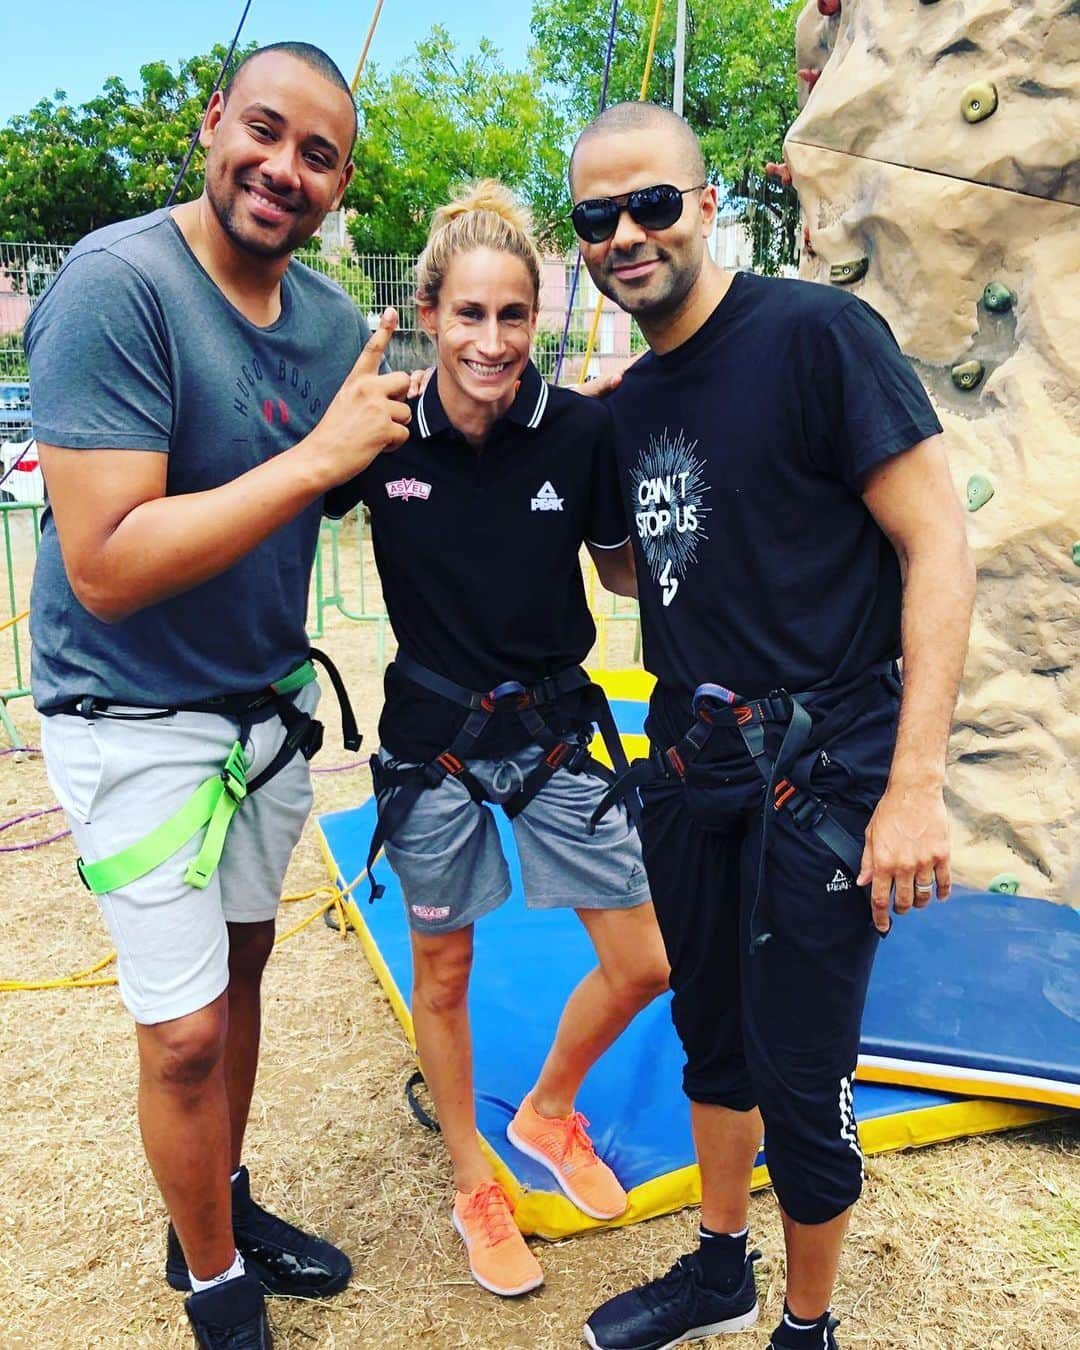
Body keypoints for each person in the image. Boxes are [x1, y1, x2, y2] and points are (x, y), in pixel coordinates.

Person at [567, 103, 976, 1350]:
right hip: (694, 770)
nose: (627, 234)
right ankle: (719, 1265)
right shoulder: (630, 402)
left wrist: (915, 784)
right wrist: (591, 471)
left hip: (827, 768)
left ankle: (808, 1323)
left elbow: (938, 541)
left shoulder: (817, 337)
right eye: (597, 218)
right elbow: (651, 571)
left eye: (650, 205)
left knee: (804, 1066)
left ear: (704, 205)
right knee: (712, 1035)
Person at [26, 43, 413, 1349]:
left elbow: (341, 485)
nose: (284, 169)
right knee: (184, 1032)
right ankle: (212, 1281)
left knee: (240, 975)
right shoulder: (118, 285)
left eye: (319, 156)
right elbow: (107, 559)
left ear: (340, 185)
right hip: (132, 714)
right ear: (212, 124)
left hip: (265, 711)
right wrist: (318, 458)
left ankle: (220, 1201)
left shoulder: (321, 321)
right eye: (265, 131)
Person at [325, 180, 670, 1300]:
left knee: (645, 961)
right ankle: (473, 1175)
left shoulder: (578, 429)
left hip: (557, 731)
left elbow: (627, 569)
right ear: (430, 312)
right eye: (468, 315)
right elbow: (284, 499)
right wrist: (334, 414)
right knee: (447, 967)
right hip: (434, 744)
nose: (490, 340)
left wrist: (662, 429)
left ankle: (547, 1107)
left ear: (539, 317)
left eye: (511, 316)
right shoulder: (380, 429)